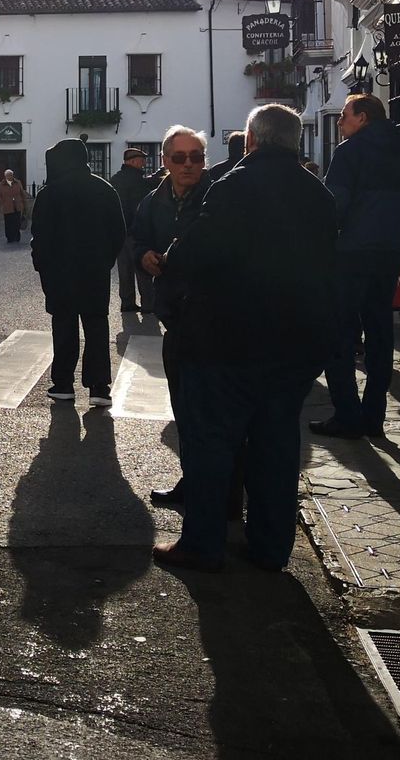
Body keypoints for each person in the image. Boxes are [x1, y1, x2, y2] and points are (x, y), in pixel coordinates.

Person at [153, 104, 337, 572]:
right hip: (295, 342)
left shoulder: (235, 187)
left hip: (227, 341)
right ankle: (272, 547)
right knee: (277, 447)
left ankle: (203, 543)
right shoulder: (317, 193)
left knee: (212, 446)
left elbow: (194, 254)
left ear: (251, 140)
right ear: (295, 143)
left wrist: (173, 259)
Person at [311, 93, 400, 441]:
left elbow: (336, 204)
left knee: (340, 334)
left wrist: (328, 240)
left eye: (344, 116)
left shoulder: (350, 152)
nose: (341, 122)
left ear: (362, 117)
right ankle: (374, 416)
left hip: (350, 253)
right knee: (379, 332)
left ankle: (347, 414)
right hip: (389, 252)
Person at [129, 126, 213, 505]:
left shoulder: (217, 197)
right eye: (179, 158)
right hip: (174, 316)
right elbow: (136, 239)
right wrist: (143, 256)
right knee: (182, 404)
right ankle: (195, 480)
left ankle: (217, 490)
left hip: (213, 317)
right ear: (165, 162)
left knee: (208, 410)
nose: (188, 165)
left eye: (196, 157)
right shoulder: (153, 201)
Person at [31, 138, 126, 406]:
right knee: (96, 325)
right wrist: (104, 259)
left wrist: (43, 265)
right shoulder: (104, 190)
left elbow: (39, 236)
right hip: (94, 271)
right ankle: (99, 387)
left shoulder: (49, 194)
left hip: (59, 273)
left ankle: (63, 383)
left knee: (63, 325)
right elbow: (118, 231)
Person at [109, 147, 155, 312]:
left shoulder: (115, 179)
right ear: (134, 161)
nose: (144, 163)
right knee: (142, 268)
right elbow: (144, 204)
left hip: (121, 231)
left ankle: (127, 302)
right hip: (137, 230)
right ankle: (148, 304)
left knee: (125, 268)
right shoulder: (138, 181)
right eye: (142, 160)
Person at [0, 168, 28, 243]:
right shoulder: (2, 184)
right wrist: (2, 202)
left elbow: (22, 193)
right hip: (7, 207)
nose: (10, 177)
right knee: (8, 223)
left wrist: (24, 203)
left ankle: (17, 237)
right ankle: (9, 237)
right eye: (8, 175)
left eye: (11, 175)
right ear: (5, 176)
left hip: (17, 206)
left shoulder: (18, 182)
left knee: (17, 222)